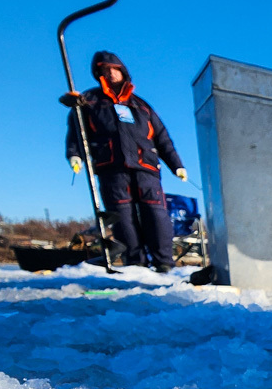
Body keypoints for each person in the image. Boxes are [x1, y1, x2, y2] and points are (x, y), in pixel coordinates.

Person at [65, 51, 187, 272]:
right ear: (99, 74)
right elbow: (76, 132)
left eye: (114, 69)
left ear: (122, 71)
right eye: (105, 70)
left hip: (146, 167)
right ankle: (136, 264)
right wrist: (75, 155)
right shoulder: (89, 101)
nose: (110, 74)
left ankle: (164, 263)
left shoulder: (142, 106)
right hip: (111, 168)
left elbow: (162, 139)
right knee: (122, 218)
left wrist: (176, 165)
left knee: (156, 215)